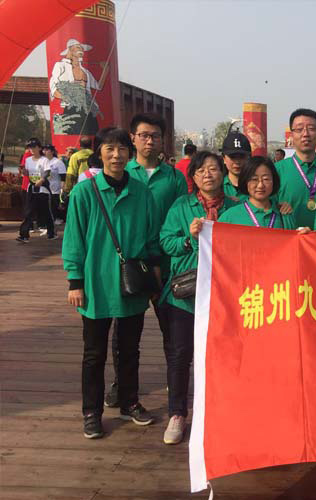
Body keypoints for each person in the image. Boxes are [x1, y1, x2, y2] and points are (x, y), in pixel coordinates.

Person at [62, 127, 160, 439]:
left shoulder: (141, 192)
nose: (116, 155)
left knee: (130, 349)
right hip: (96, 284)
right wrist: (75, 281)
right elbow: (74, 238)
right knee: (94, 353)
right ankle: (91, 412)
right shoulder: (84, 192)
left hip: (132, 284)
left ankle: (129, 402)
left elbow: (151, 238)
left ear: (130, 153)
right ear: (100, 153)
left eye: (122, 149)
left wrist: (153, 277)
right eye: (109, 149)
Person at [104, 113, 186, 408]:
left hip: (168, 265)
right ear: (133, 138)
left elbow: (183, 215)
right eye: (143, 135)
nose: (149, 141)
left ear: (163, 140)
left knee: (172, 329)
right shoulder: (122, 173)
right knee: (125, 332)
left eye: (155, 136)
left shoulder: (174, 178)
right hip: (131, 266)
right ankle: (121, 384)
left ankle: (176, 381)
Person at [159, 151, 239, 445]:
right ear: (192, 176)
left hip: (225, 294)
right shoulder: (181, 206)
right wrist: (188, 239)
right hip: (187, 295)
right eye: (201, 170)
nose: (208, 174)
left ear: (223, 173)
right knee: (180, 355)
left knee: (224, 355)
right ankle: (177, 413)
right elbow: (166, 242)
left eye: (213, 169)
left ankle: (220, 411)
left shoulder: (236, 207)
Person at [274, 108, 316, 229]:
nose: (305, 134)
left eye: (311, 128)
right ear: (291, 135)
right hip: (289, 238)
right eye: (299, 129)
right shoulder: (277, 170)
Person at [219, 156, 298, 229]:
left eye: (266, 179)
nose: (260, 185)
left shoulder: (284, 214)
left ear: (274, 181)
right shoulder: (230, 217)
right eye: (254, 179)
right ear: (245, 181)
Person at [17, 139, 55, 242]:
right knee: (28, 211)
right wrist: (23, 171)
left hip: (43, 188)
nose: (32, 149)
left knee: (46, 211)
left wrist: (42, 179)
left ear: (39, 148)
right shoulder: (28, 160)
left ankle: (51, 233)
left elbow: (47, 171)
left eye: (34, 147)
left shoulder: (44, 160)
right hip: (32, 188)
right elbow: (27, 173)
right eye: (30, 147)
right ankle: (24, 235)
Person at [39, 144, 65, 230]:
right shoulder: (42, 161)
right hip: (43, 187)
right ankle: (45, 222)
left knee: (53, 205)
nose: (44, 151)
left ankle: (55, 220)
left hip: (55, 187)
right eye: (44, 150)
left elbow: (63, 176)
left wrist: (62, 188)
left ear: (52, 152)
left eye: (47, 150)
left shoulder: (58, 162)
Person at [221, 129, 252, 198]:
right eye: (232, 157)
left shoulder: (257, 187)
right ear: (224, 158)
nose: (237, 161)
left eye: (242, 156)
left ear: (249, 158)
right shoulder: (217, 187)